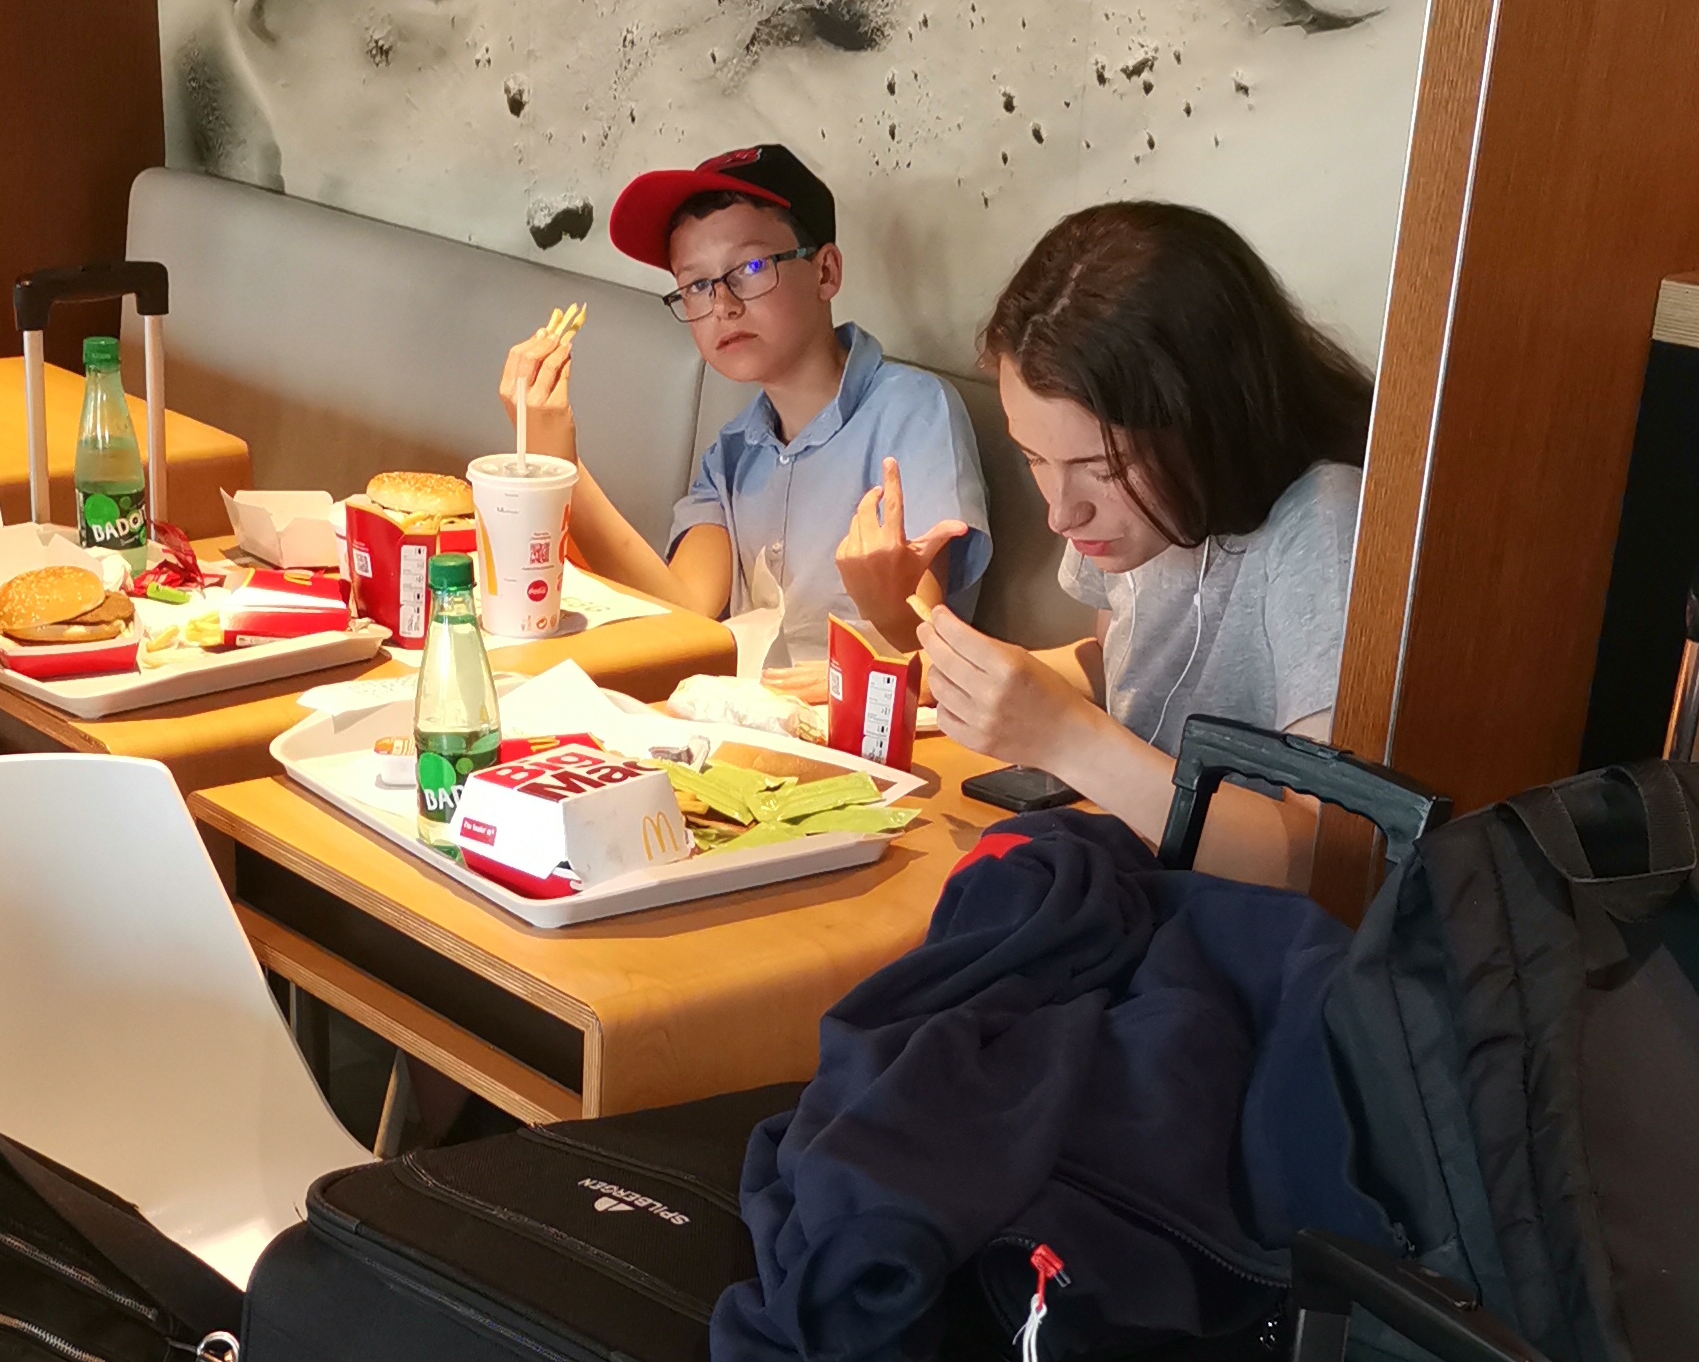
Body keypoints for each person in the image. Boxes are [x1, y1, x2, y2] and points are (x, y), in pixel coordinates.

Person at [846, 202, 1366, 877]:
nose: (1062, 515)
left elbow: (1328, 861)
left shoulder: (1324, 523)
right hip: (1131, 876)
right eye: (1035, 457)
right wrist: (934, 651)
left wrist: (1067, 737)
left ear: (1214, 417)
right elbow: (1119, 662)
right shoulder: (1127, 512)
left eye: (1105, 467)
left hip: (1238, 926)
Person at [496, 142, 988, 669]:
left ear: (825, 272)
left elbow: (925, 647)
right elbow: (681, 613)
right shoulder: (732, 455)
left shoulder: (913, 412)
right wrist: (562, 468)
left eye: (751, 267)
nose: (722, 306)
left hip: (862, 716)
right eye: (696, 285)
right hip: (737, 709)